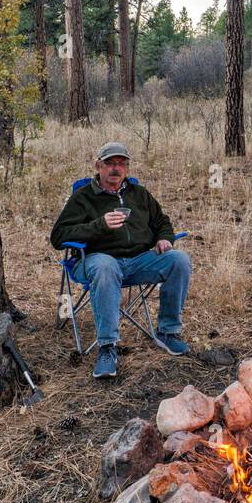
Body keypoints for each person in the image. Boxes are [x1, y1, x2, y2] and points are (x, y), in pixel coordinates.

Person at [50, 142, 191, 378]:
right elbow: (59, 237)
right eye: (110, 163)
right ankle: (107, 347)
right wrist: (100, 225)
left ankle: (168, 331)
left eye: (121, 164)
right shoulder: (83, 197)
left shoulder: (139, 194)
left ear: (127, 168)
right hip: (97, 260)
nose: (116, 169)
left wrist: (165, 239)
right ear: (98, 166)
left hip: (139, 260)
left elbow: (162, 223)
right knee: (105, 267)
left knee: (179, 260)